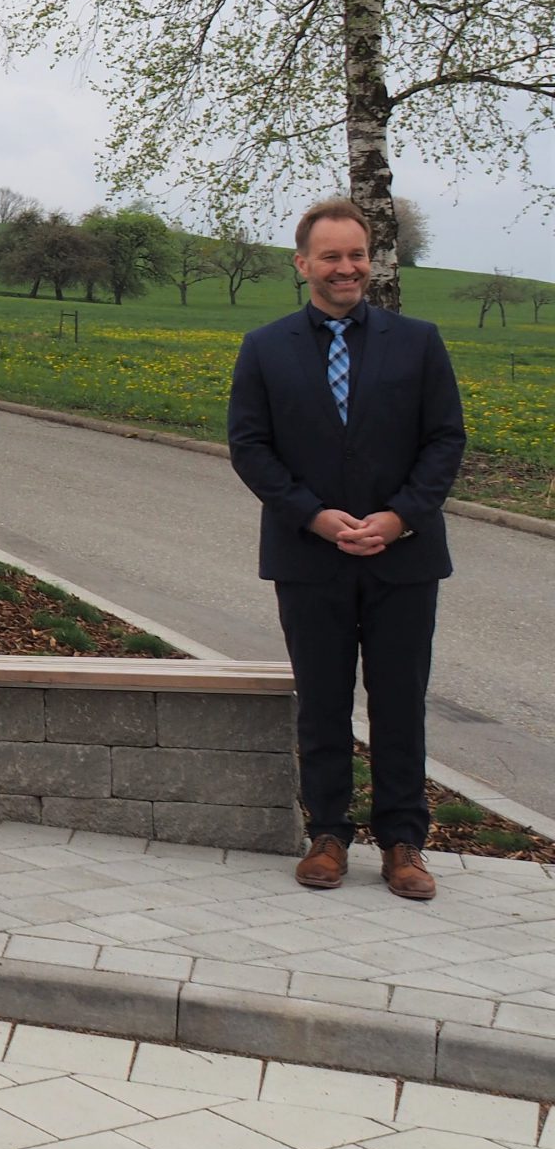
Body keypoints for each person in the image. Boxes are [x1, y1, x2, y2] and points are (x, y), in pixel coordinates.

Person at [229, 198, 466, 900]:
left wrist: (398, 519)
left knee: (399, 702)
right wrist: (315, 518)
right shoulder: (266, 348)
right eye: (330, 256)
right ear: (302, 264)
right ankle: (327, 834)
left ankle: (402, 842)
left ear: (371, 260)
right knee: (324, 702)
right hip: (309, 558)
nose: (346, 268)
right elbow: (251, 447)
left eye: (356, 255)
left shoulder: (416, 342)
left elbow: (444, 440)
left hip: (404, 558)